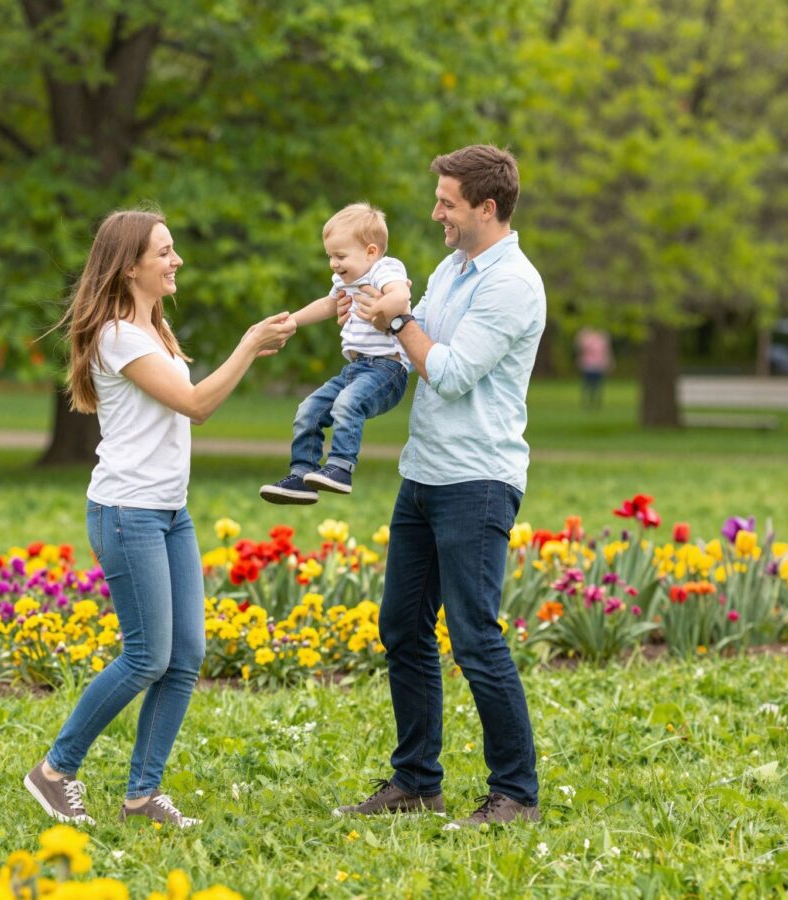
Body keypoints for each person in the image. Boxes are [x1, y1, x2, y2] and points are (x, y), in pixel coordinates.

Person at [25, 208, 295, 829]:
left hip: (169, 511)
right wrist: (250, 344)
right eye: (165, 252)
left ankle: (142, 797)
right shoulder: (119, 336)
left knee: (186, 654)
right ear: (130, 266)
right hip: (127, 511)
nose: (177, 261)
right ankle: (54, 771)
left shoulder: (157, 331)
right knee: (147, 656)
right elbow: (197, 405)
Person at [335, 145, 545, 828]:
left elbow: (449, 371)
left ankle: (515, 793)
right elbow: (409, 346)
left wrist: (398, 319)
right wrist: (372, 322)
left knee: (475, 635)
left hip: (477, 478)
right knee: (401, 626)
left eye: (448, 202)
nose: (435, 213)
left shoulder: (511, 283)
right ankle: (417, 782)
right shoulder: (452, 269)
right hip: (424, 472)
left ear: (487, 207)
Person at [259, 203, 411, 505]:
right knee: (309, 408)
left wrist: (381, 310)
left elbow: (402, 294)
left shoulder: (385, 269)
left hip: (387, 370)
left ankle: (341, 468)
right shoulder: (345, 281)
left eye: (340, 256)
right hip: (355, 369)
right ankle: (302, 474)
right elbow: (329, 305)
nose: (333, 263)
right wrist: (293, 321)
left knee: (347, 403)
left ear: (370, 251)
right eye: (330, 255)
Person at [574, 326, 612, 409]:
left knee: (597, 385)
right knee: (588, 385)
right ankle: (588, 401)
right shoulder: (587, 339)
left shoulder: (601, 340)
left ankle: (596, 402)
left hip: (598, 366)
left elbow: (606, 352)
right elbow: (580, 348)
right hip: (588, 366)